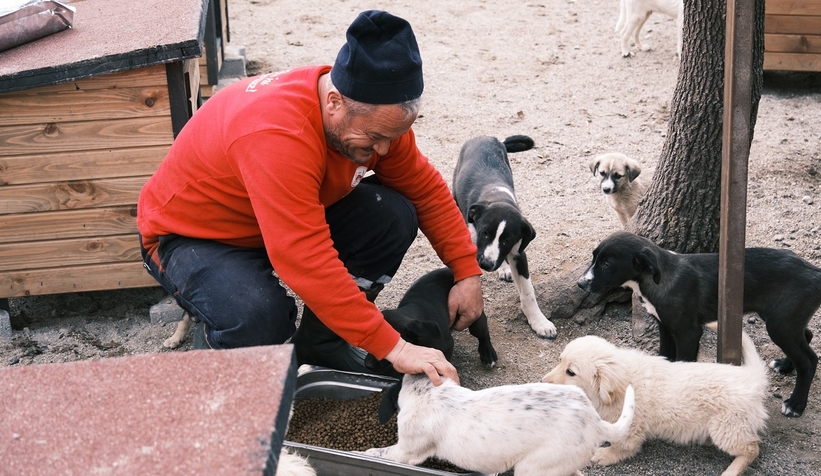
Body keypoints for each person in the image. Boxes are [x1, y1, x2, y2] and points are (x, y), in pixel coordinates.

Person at [137, 10, 483, 385]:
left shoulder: (374, 118)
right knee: (258, 317)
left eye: (392, 137)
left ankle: (323, 343)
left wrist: (467, 272)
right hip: (193, 237)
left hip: (276, 221)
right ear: (334, 102)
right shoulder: (276, 135)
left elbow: (426, 191)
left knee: (392, 216)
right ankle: (218, 364)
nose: (382, 149)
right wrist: (395, 348)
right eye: (372, 138)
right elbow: (304, 256)